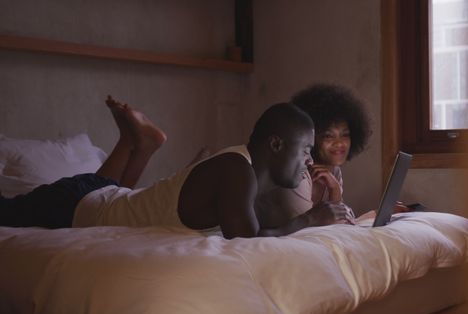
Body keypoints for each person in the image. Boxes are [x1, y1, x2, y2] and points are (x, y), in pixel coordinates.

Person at [0, 96, 352, 238]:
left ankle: (137, 143)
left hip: (99, 195)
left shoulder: (251, 177)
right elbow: (247, 240)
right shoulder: (234, 169)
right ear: (275, 144)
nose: (310, 158)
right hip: (68, 205)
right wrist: (309, 220)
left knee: (113, 194)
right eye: (305, 148)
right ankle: (138, 143)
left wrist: (324, 209)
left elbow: (272, 223)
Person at [255, 83, 373, 227]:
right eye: (328, 136)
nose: (339, 143)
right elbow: (307, 231)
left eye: (345, 135)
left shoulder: (333, 171)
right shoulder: (297, 173)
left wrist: (335, 191)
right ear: (310, 138)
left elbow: (338, 224)